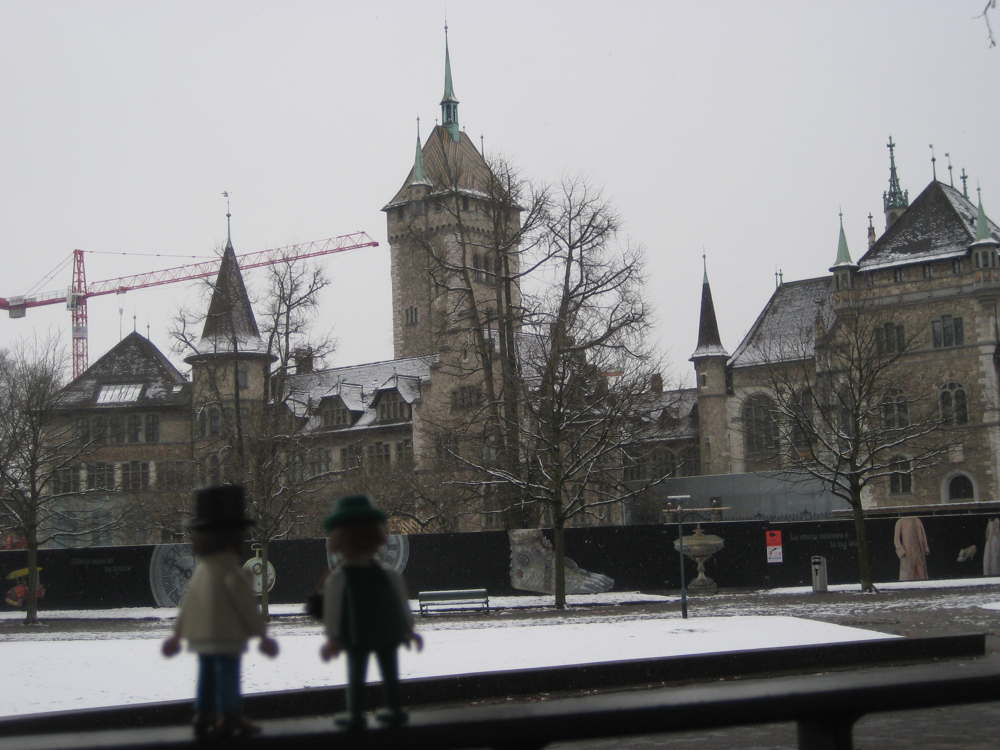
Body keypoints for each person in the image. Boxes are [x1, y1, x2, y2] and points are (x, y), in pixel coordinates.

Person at [162, 485, 279, 740]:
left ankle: (203, 715)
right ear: (234, 538)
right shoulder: (234, 573)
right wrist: (263, 636)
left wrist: (177, 635)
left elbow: (188, 605)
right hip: (227, 639)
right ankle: (230, 717)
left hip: (202, 638)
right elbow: (247, 609)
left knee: (206, 676)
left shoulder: (201, 572)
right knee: (228, 677)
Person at [321, 494, 422, 730]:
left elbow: (333, 609)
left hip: (356, 634)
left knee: (356, 675)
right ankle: (392, 709)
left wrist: (332, 637)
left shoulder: (340, 577)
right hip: (387, 633)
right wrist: (409, 630)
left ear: (338, 540)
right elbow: (401, 604)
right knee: (389, 673)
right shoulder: (389, 574)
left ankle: (356, 713)